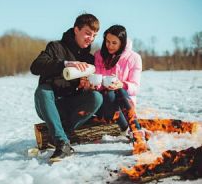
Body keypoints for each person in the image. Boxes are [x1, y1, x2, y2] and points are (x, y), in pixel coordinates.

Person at [30, 13, 103, 161]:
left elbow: (86, 90)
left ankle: (63, 135)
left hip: (71, 106)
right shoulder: (55, 47)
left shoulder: (88, 59)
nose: (91, 38)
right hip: (49, 104)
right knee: (43, 90)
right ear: (76, 30)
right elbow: (35, 67)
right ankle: (62, 142)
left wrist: (85, 86)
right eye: (87, 33)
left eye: (94, 35)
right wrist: (65, 64)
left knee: (96, 97)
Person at [93, 25, 149, 154]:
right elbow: (97, 80)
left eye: (114, 43)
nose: (110, 46)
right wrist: (98, 85)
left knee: (120, 90)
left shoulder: (134, 58)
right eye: (107, 41)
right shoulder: (99, 55)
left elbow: (135, 88)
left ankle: (136, 134)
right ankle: (130, 130)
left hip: (125, 108)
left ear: (122, 43)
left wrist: (121, 84)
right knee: (109, 93)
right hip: (105, 106)